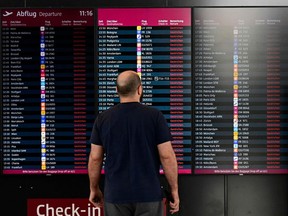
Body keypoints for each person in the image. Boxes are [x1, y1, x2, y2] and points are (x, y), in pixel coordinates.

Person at [88, 70, 180, 216]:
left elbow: (95, 158)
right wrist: (174, 189)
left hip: (115, 195)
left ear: (117, 90)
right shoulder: (155, 116)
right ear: (139, 89)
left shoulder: (102, 119)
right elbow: (167, 156)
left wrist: (94, 188)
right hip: (148, 195)